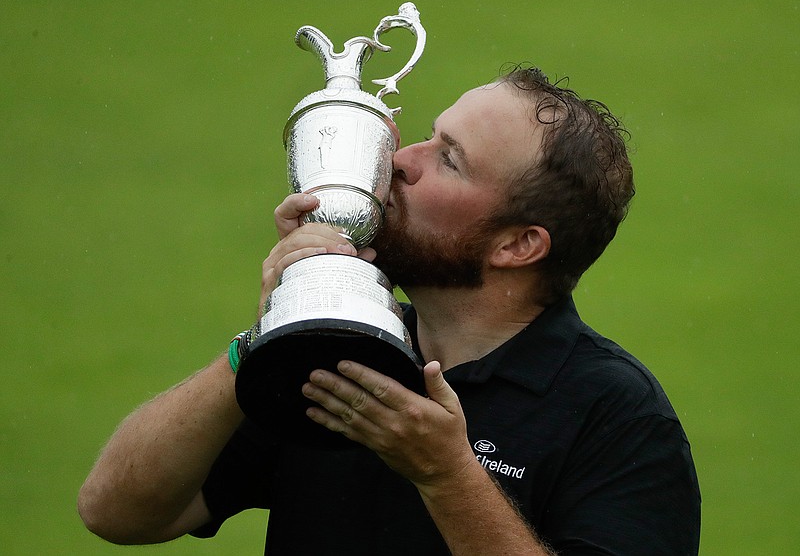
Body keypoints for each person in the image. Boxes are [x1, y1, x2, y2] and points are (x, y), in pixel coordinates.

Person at [78, 66, 701, 555]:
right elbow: (116, 512)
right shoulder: (335, 346)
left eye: (449, 160)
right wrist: (270, 331)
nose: (401, 160)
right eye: (429, 135)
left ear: (517, 245)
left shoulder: (617, 415)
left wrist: (446, 475)